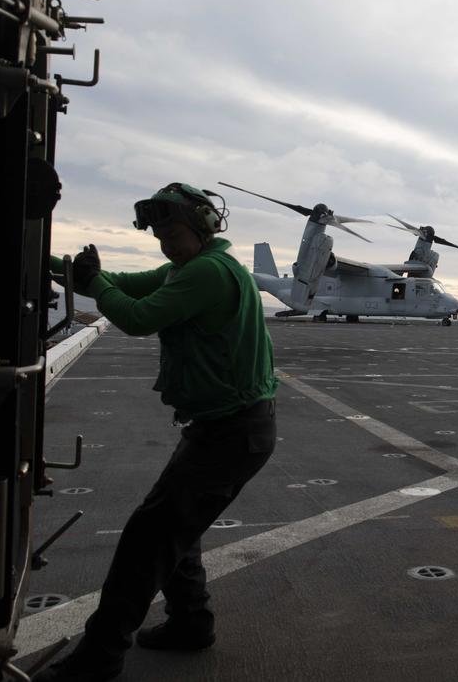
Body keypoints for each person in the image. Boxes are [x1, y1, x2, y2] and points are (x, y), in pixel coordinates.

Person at [36, 182, 278, 682]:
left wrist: (97, 284)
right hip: (225, 430)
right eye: (160, 235)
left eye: (173, 232)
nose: (166, 243)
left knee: (146, 541)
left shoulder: (208, 273)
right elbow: (122, 280)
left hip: (232, 433)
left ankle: (99, 656)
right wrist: (59, 266)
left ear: (203, 227)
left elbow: (137, 316)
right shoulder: (187, 268)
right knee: (174, 532)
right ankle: (191, 623)